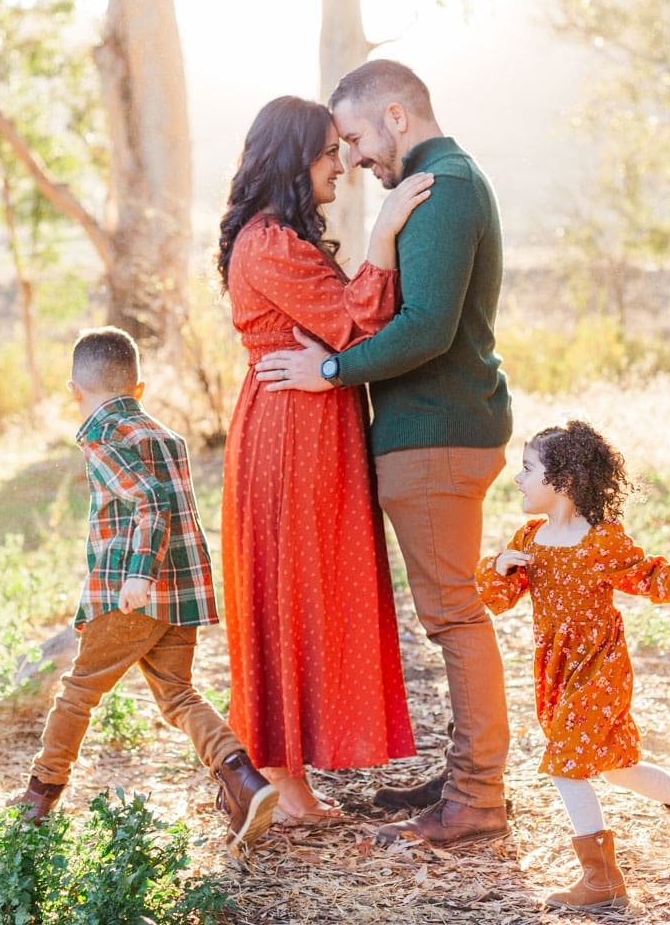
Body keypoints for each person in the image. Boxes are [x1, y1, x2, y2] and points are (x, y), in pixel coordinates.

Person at [255, 60, 514, 846]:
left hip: (437, 434)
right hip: (431, 432)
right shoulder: (438, 183)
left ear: (397, 116)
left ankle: (475, 800)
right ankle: (466, 776)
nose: (357, 156)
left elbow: (426, 328)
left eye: (360, 136)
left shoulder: (441, 188)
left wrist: (329, 368)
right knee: (451, 614)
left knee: (454, 620)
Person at [217, 96, 434, 821]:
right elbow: (355, 322)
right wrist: (384, 231)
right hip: (292, 433)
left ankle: (290, 780)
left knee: (306, 592)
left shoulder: (276, 237)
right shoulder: (271, 241)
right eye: (325, 152)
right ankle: (284, 785)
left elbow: (344, 331)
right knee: (291, 593)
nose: (341, 163)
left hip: (307, 424)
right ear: (292, 160)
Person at [12, 327, 276, 857]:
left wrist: (137, 574)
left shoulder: (99, 434)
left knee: (78, 691)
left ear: (74, 390)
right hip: (179, 596)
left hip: (130, 594)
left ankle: (37, 803)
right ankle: (244, 780)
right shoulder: (165, 436)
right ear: (140, 388)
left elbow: (150, 502)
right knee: (179, 696)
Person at [477, 421, 670, 910]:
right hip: (556, 672)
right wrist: (499, 567)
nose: (518, 479)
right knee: (617, 768)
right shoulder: (530, 539)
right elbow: (499, 598)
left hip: (599, 669)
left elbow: (646, 573)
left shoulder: (602, 541)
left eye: (528, 469)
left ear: (565, 483)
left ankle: (601, 880)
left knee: (566, 765)